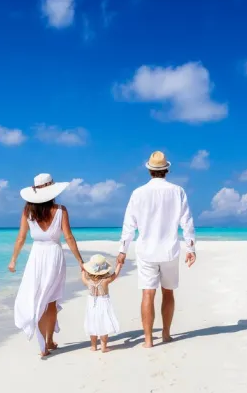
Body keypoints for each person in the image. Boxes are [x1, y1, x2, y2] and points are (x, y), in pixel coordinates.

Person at [116, 151, 196, 349]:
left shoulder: (138, 193)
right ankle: (166, 334)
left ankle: (148, 340)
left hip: (146, 252)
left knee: (147, 294)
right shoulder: (178, 191)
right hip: (170, 250)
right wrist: (191, 247)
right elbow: (187, 221)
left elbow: (129, 225)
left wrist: (123, 250)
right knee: (168, 293)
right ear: (166, 170)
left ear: (150, 170)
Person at [10, 173, 86, 358]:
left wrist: (13, 259)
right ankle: (49, 340)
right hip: (54, 255)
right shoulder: (60, 210)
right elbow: (68, 237)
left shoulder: (28, 211)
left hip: (36, 257)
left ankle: (44, 343)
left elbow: (21, 237)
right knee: (50, 299)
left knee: (37, 298)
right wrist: (80, 261)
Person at [81, 254, 123, 353]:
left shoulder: (88, 282)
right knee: (104, 324)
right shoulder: (105, 281)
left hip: (92, 305)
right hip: (103, 304)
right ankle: (103, 347)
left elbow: (83, 277)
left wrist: (83, 269)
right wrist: (119, 266)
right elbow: (115, 275)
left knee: (92, 324)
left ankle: (93, 346)